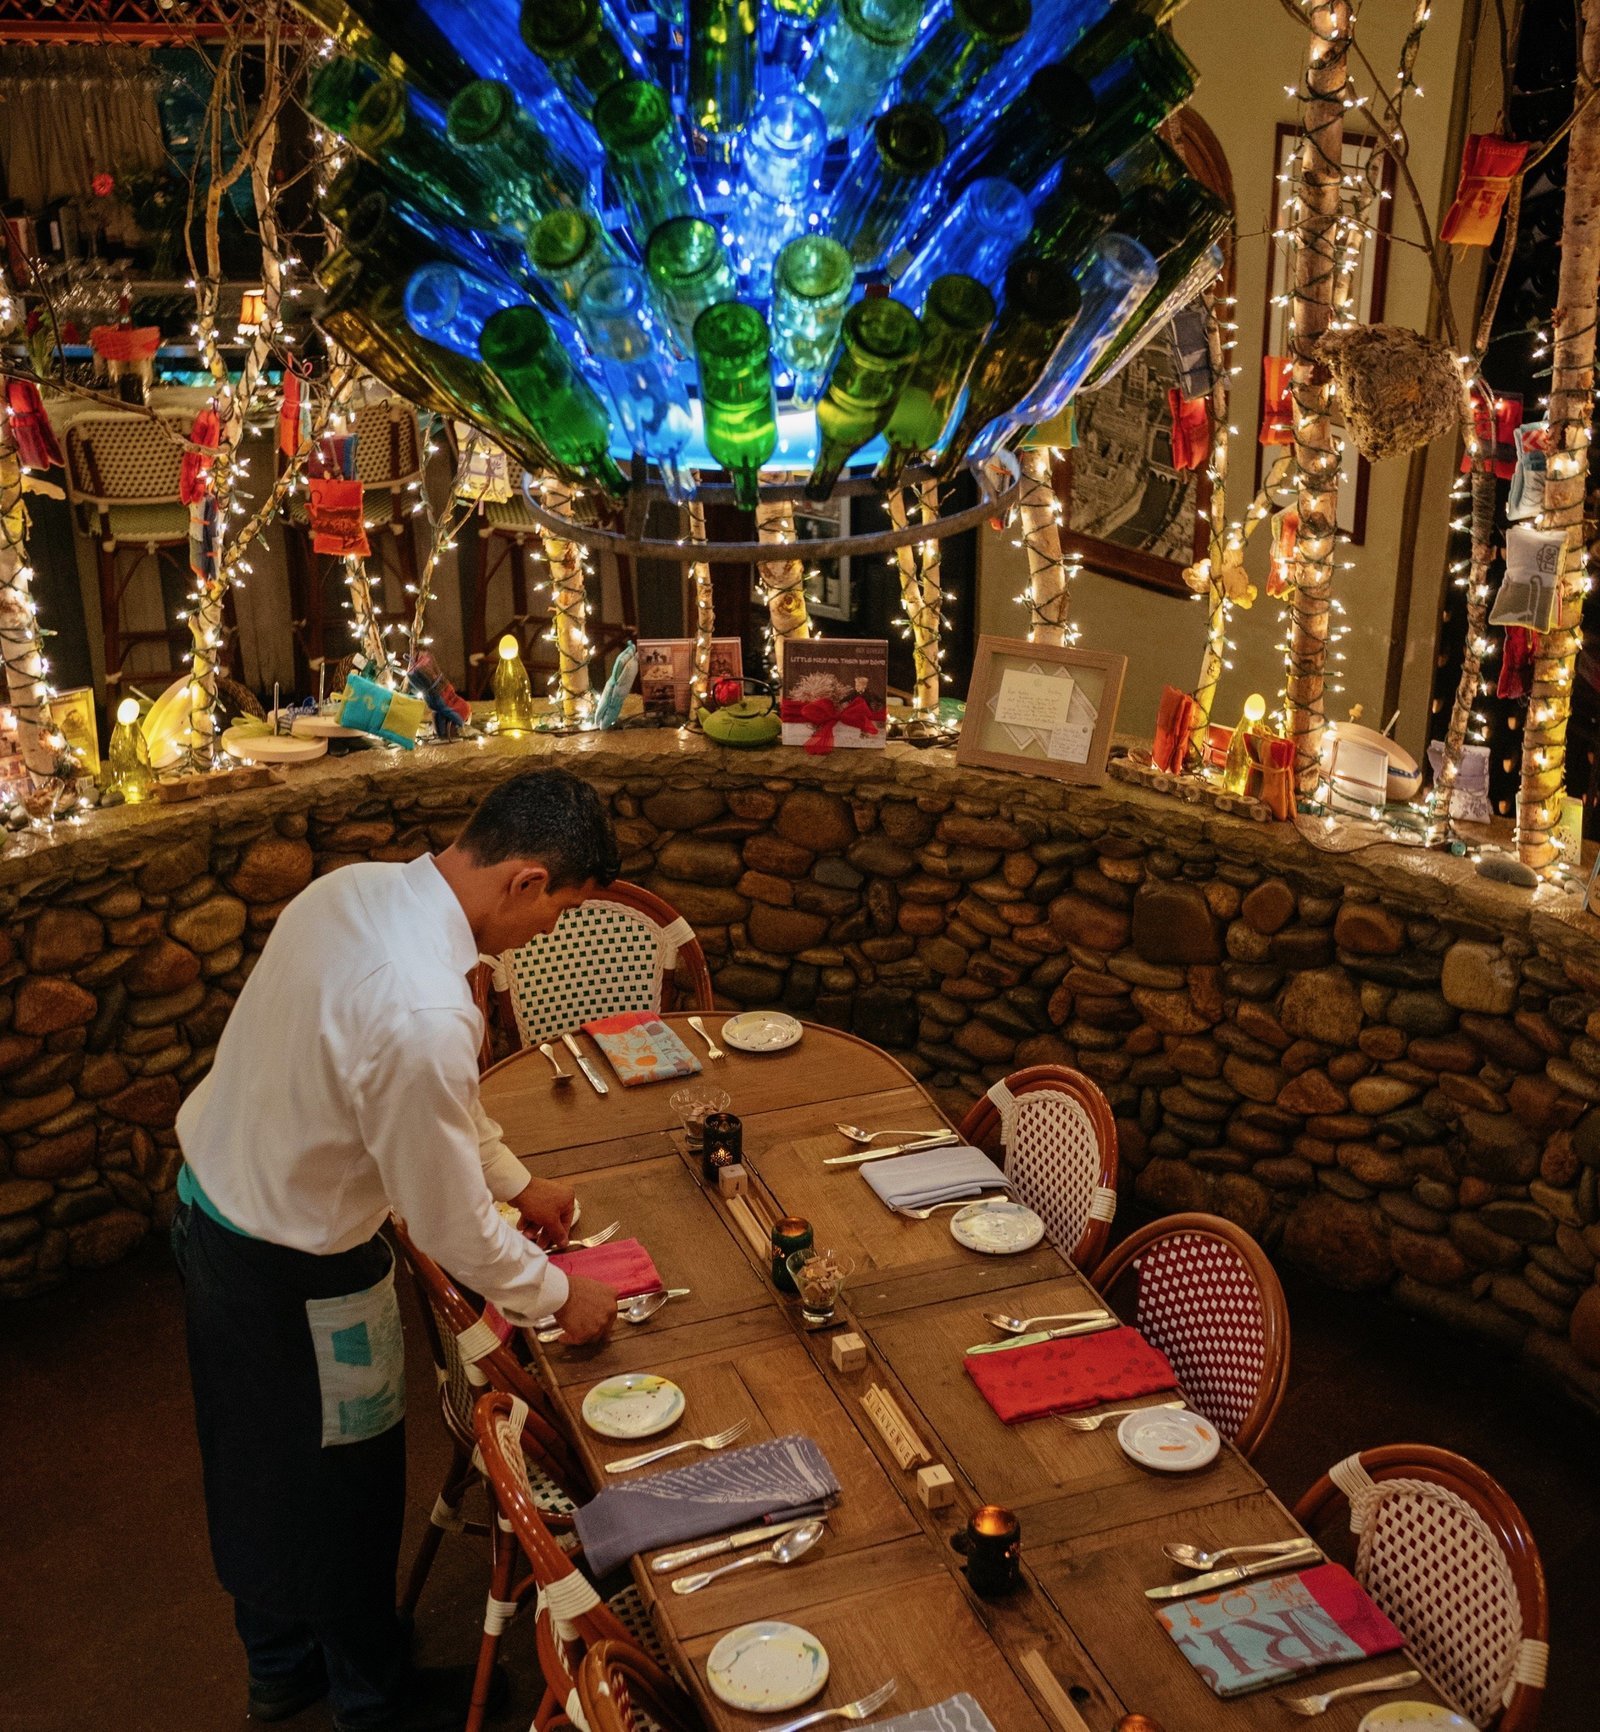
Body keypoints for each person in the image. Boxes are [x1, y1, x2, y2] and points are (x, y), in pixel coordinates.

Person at [172, 768, 623, 1731]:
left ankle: (278, 1666)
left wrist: (517, 1180)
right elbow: (447, 1220)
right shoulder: (425, 1006)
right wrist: (556, 1295)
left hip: (212, 1209)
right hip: (301, 1269)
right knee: (344, 1493)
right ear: (527, 882)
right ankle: (374, 1700)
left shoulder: (351, 890)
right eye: (561, 912)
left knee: (253, 1465)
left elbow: (432, 1105)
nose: (548, 936)